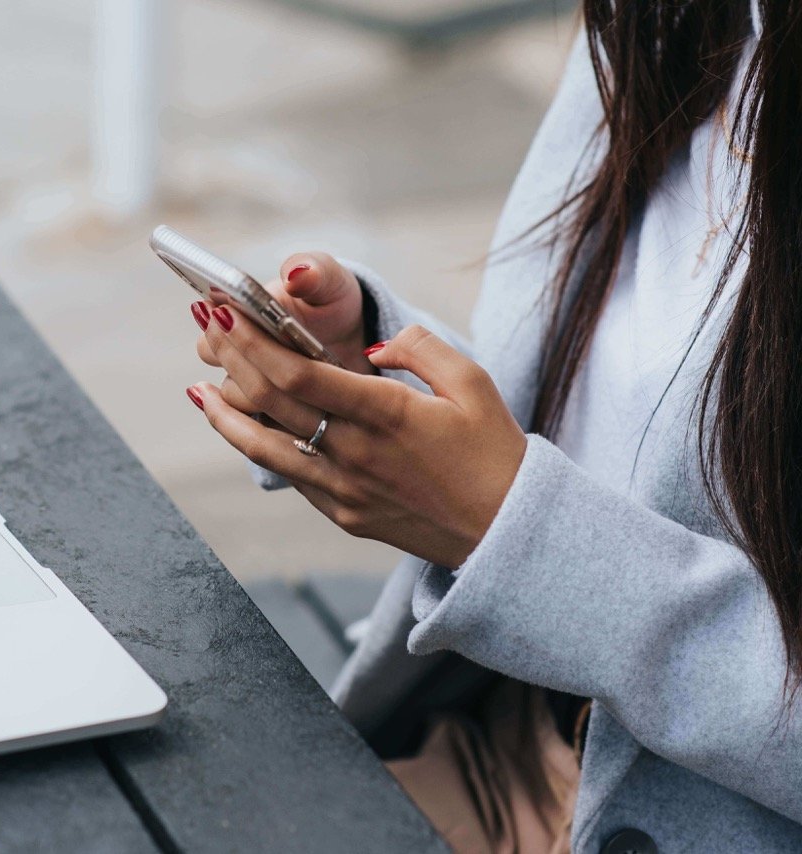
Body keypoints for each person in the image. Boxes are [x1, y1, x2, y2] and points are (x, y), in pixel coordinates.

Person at [183, 2, 802, 852]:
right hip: (489, 745)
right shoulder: (664, 24)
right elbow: (615, 436)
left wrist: (511, 533)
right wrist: (375, 373)